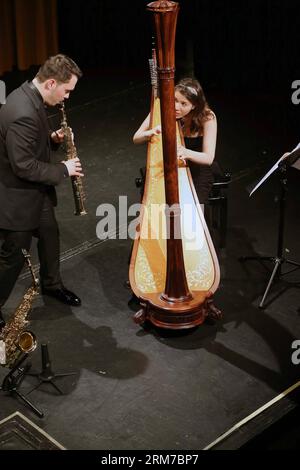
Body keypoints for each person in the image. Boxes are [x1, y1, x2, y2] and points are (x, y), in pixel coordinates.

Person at [0, 54, 84, 330]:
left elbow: (32, 143)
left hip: (35, 191)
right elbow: (23, 165)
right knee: (13, 257)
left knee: (50, 233)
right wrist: (63, 169)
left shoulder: (31, 95)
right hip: (17, 196)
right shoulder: (22, 110)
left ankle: (52, 284)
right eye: (66, 90)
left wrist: (52, 139)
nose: (67, 97)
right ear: (51, 83)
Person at [133, 77, 217, 206]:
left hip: (197, 168)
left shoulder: (207, 118)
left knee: (191, 209)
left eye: (184, 104)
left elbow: (208, 158)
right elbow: (136, 138)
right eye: (175, 100)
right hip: (170, 164)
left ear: (194, 105)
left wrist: (185, 152)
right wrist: (149, 132)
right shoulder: (162, 108)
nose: (176, 107)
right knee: (154, 202)